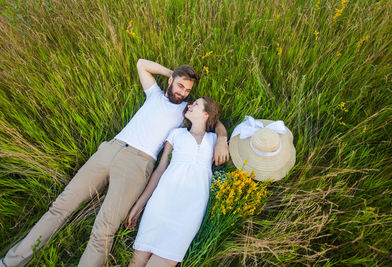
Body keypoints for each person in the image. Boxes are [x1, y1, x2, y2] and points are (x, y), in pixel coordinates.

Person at [0, 59, 229, 267]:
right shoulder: (155, 95)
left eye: (188, 90)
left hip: (138, 164)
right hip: (110, 149)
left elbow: (213, 121)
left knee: (104, 230)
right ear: (170, 81)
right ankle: (12, 262)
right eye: (180, 86)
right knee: (59, 207)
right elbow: (142, 64)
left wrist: (222, 139)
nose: (182, 93)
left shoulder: (185, 111)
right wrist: (175, 73)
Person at [125, 96, 220, 267]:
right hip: (162, 202)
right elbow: (160, 170)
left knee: (164, 261)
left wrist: (223, 139)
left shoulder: (214, 140)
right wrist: (139, 205)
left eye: (196, 104)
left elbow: (220, 127)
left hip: (190, 211)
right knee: (137, 259)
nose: (190, 105)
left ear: (206, 114)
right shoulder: (176, 134)